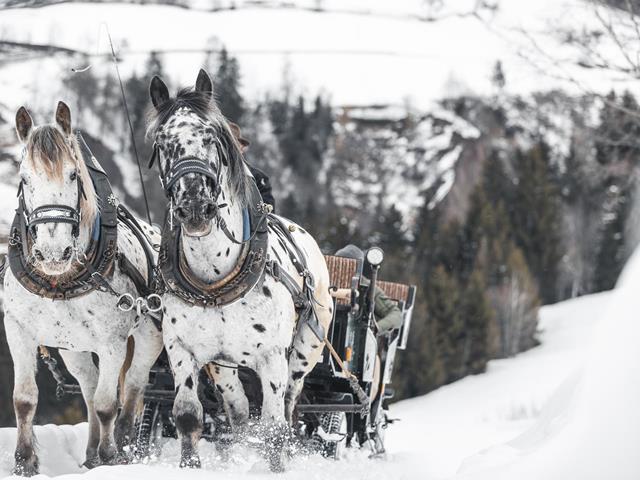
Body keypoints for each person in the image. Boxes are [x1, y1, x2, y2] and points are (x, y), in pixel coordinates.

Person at [334, 244, 403, 335]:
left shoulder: (367, 287)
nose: (342, 269)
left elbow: (396, 314)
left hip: (352, 335)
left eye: (349, 265)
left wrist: (376, 327)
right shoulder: (323, 279)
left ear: (358, 268)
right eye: (338, 264)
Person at [229, 122, 276, 212]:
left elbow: (267, 213)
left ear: (241, 147)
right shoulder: (211, 175)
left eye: (233, 144)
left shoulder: (257, 177)